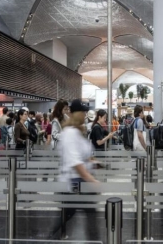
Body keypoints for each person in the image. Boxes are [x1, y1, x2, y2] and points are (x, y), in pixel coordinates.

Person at [58, 98, 99, 240]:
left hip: (79, 182)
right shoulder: (70, 133)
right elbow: (75, 161)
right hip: (74, 183)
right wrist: (90, 179)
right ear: (76, 113)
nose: (85, 115)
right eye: (83, 112)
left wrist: (92, 161)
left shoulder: (77, 132)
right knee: (82, 214)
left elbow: (82, 156)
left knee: (70, 217)